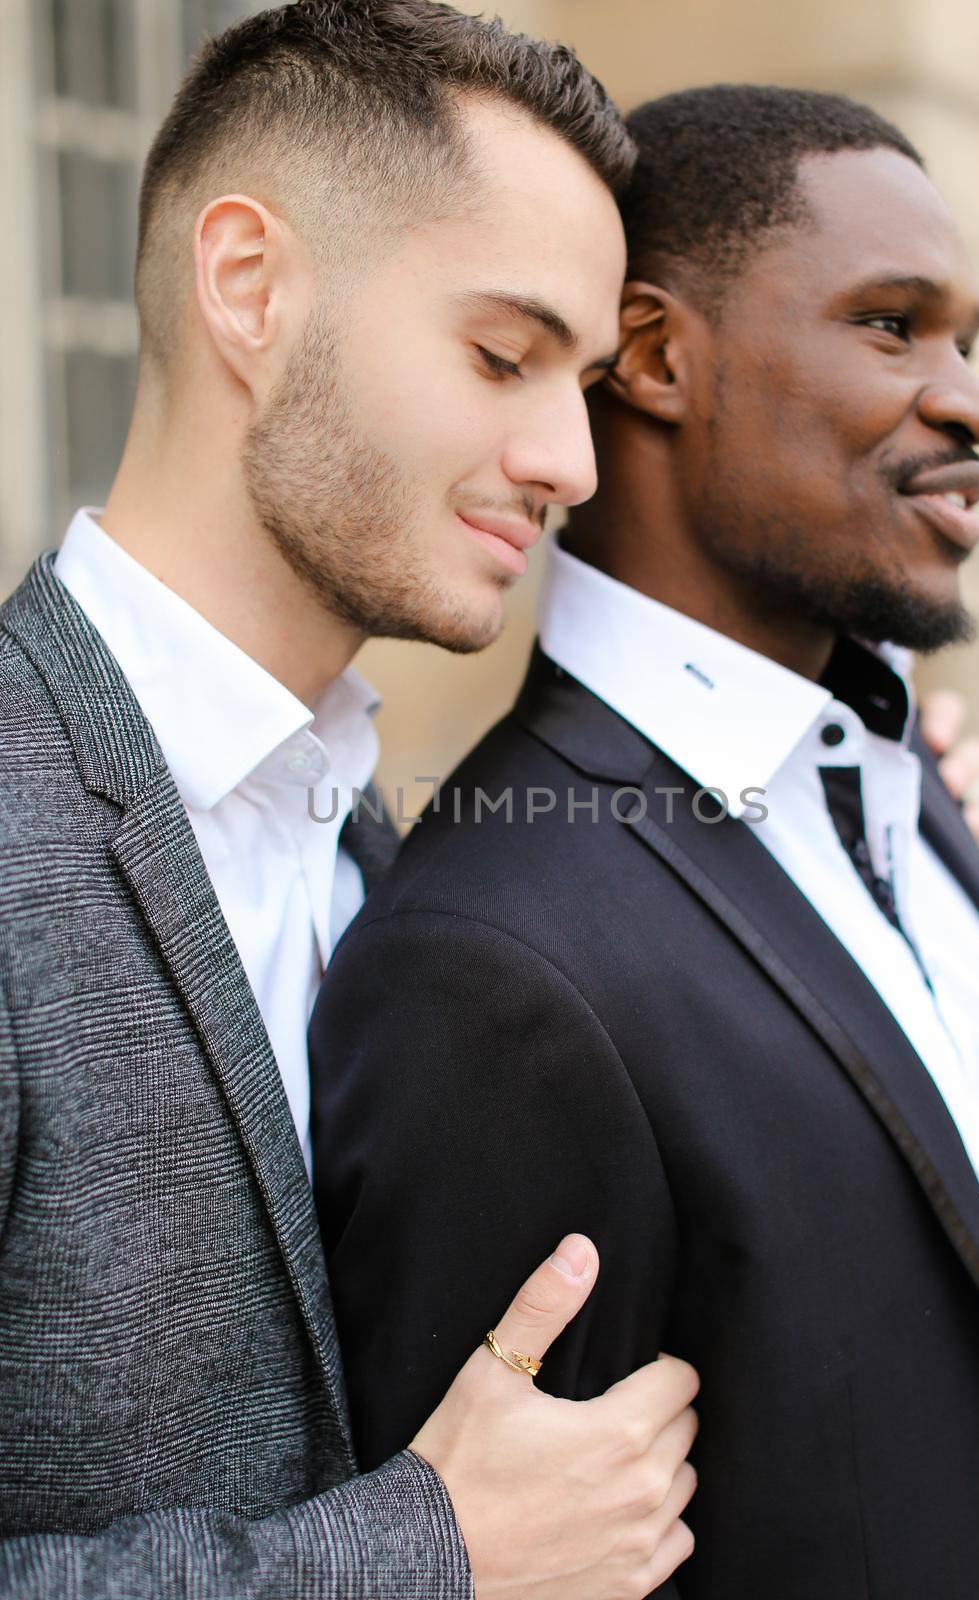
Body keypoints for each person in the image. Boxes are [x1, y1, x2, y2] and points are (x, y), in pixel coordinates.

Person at [311, 86, 979, 1599]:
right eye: (891, 325)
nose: (972, 400)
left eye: (969, 339)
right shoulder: (490, 965)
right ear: (654, 357)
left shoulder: (903, 787)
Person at [0, 5, 701, 1596]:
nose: (574, 460)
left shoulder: (379, 839)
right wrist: (425, 1557)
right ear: (250, 288)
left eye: (583, 378)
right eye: (503, 355)